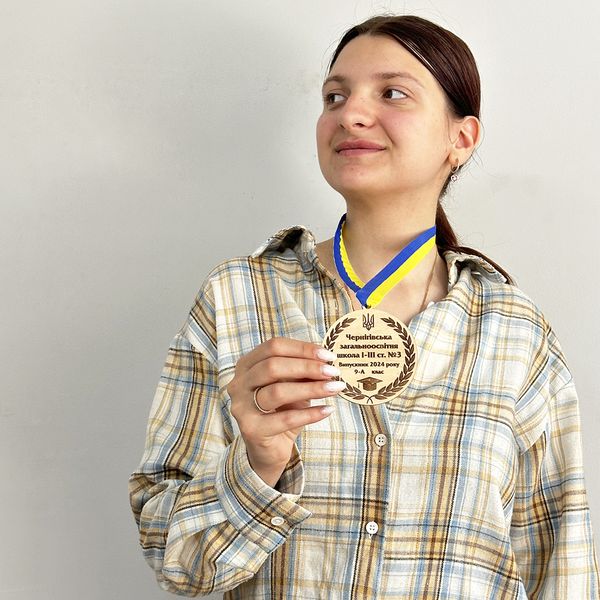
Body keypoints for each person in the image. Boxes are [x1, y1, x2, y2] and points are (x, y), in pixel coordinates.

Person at [128, 14, 600, 599]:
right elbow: (178, 565)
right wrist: (256, 466)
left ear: (462, 138)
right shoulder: (236, 297)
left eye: (392, 93)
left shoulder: (514, 329)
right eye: (334, 95)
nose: (350, 113)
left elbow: (563, 567)